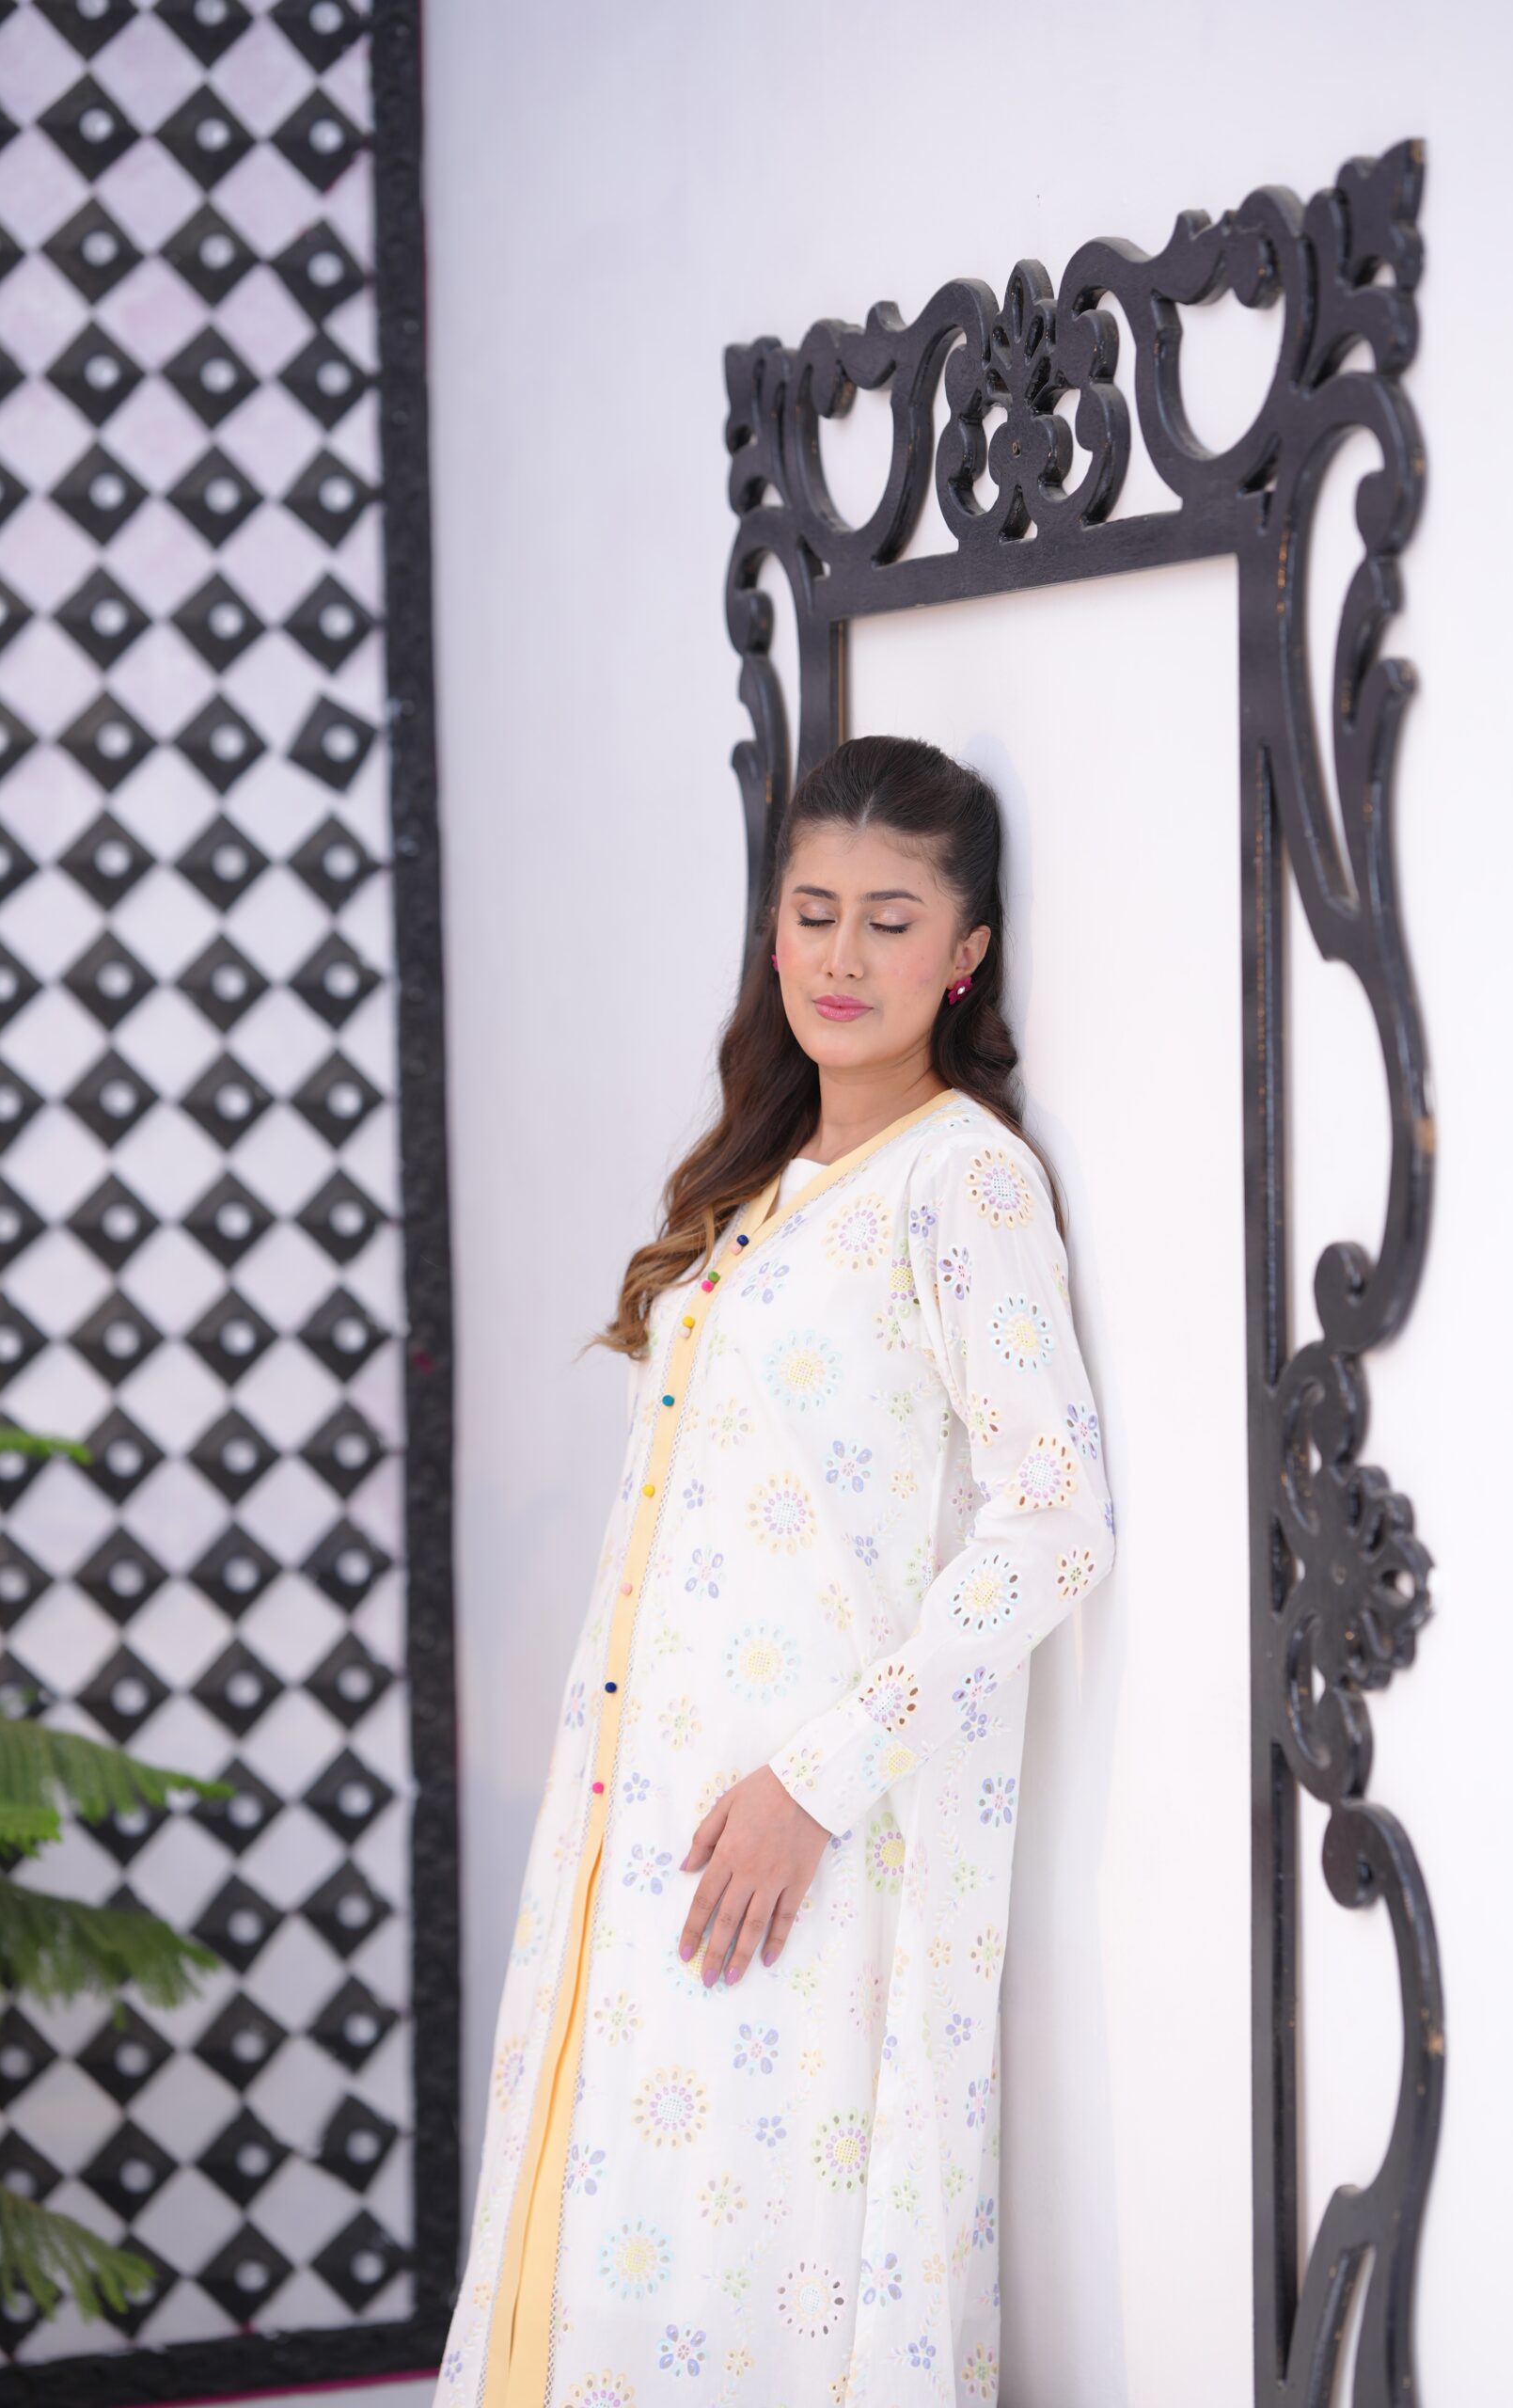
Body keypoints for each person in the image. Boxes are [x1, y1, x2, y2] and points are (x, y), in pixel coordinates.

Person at [433, 734, 1117, 2407]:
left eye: (892, 919)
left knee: (759, 2260)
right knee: (625, 2241)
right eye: (814, 913)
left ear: (965, 954)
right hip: (648, 1810)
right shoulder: (765, 1187)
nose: (842, 956)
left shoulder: (963, 1181)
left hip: (818, 1828)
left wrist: (816, 1781)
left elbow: (1053, 1521)